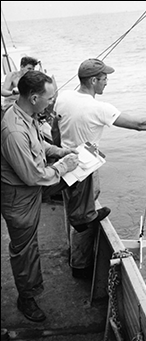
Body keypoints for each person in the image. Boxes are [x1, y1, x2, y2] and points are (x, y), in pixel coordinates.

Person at [53, 58, 146, 278]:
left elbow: (55, 127)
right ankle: (80, 268)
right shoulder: (98, 108)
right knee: (83, 221)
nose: (107, 82)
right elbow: (140, 124)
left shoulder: (65, 96)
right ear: (93, 80)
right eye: (104, 78)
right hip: (84, 168)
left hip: (65, 161)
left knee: (76, 210)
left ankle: (77, 249)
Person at [1, 70, 109, 323]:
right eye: (50, 99)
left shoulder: (27, 114)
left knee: (85, 169)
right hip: (20, 194)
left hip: (33, 184)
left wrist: (62, 152)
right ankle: (26, 297)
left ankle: (82, 216)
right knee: (25, 248)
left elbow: (40, 145)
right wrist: (63, 167)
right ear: (35, 97)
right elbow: (32, 176)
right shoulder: (13, 130)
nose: (52, 103)